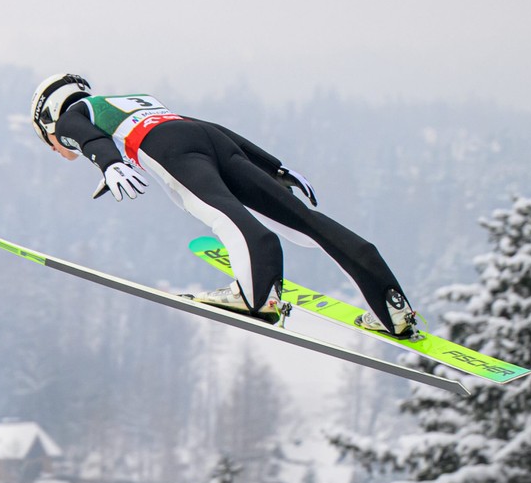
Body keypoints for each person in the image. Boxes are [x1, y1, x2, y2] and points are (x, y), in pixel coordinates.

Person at [30, 73, 416, 336]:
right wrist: (273, 167)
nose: (56, 147)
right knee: (305, 222)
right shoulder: (130, 99)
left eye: (47, 140)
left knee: (224, 214)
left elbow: (79, 133)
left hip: (168, 147)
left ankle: (256, 296)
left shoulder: (71, 117)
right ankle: (392, 306)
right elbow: (211, 128)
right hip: (208, 139)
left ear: (48, 118)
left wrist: (109, 161)